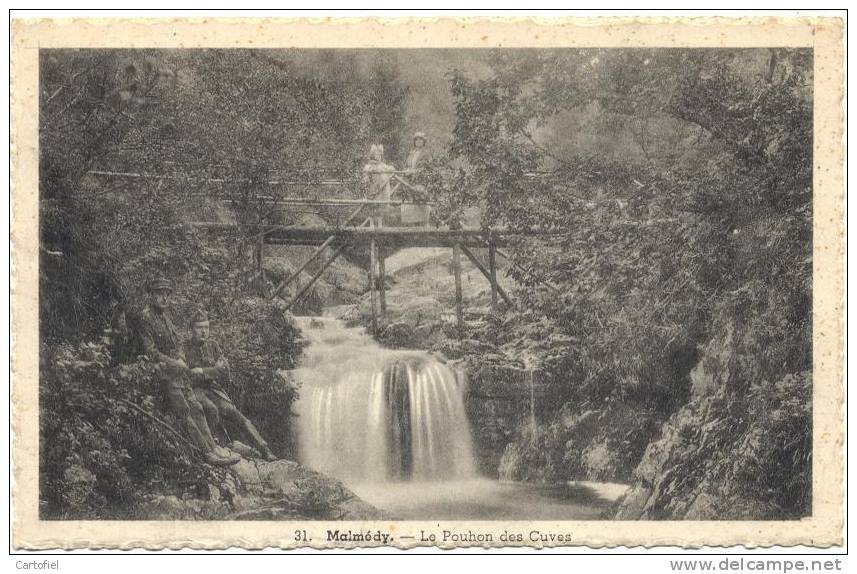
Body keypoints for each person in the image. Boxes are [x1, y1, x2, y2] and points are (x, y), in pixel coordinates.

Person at [137, 278, 240, 466]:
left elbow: (177, 345)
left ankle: (213, 448)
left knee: (198, 408)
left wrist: (181, 358)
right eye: (160, 294)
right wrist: (175, 363)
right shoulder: (145, 318)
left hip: (177, 374)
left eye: (167, 294)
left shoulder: (166, 318)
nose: (164, 298)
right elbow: (150, 351)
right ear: (151, 295)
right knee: (184, 411)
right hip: (160, 374)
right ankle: (207, 453)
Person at [185, 310, 277, 462]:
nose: (203, 331)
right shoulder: (186, 347)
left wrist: (202, 370)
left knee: (235, 413)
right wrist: (213, 370)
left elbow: (224, 371)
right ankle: (216, 446)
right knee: (211, 409)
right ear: (191, 329)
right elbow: (190, 374)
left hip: (212, 389)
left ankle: (264, 449)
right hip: (195, 390)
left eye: (206, 327)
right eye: (199, 327)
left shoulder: (213, 345)